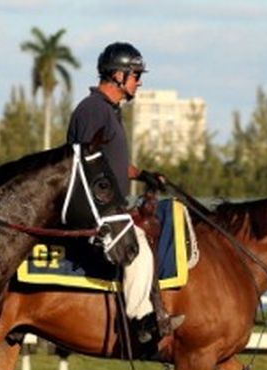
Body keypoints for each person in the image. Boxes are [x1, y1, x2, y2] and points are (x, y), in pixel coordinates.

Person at [67, 41, 184, 339]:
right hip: (95, 213)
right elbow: (84, 165)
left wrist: (143, 175)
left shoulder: (109, 111)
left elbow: (112, 163)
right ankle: (140, 321)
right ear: (118, 75)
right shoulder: (93, 110)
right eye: (136, 75)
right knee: (138, 247)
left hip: (109, 208)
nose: (139, 82)